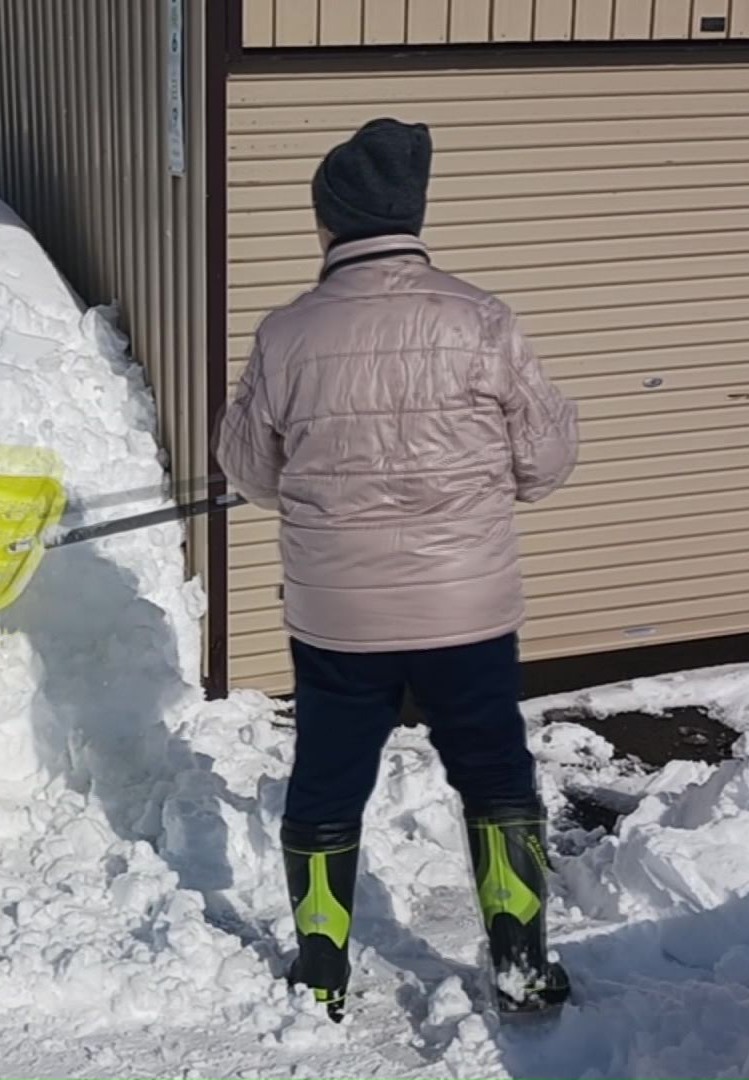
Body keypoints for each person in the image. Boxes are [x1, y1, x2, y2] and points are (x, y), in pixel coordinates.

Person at [215, 117, 580, 1020]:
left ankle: (320, 968)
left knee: (328, 778)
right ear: (412, 215)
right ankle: (521, 967)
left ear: (328, 223)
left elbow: (250, 472)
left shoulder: (288, 333)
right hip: (466, 610)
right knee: (494, 772)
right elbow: (546, 463)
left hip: (339, 616)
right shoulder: (481, 320)